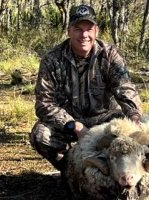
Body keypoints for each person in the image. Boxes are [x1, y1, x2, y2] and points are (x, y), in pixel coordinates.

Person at [30, 4, 142, 172]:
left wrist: (134, 116)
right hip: (69, 123)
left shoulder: (109, 55)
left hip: (104, 121)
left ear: (96, 31)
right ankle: (72, 171)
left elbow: (125, 88)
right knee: (41, 135)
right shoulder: (52, 60)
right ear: (69, 31)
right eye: (78, 29)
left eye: (89, 29)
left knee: (128, 134)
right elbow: (44, 104)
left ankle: (117, 171)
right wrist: (74, 125)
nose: (84, 35)